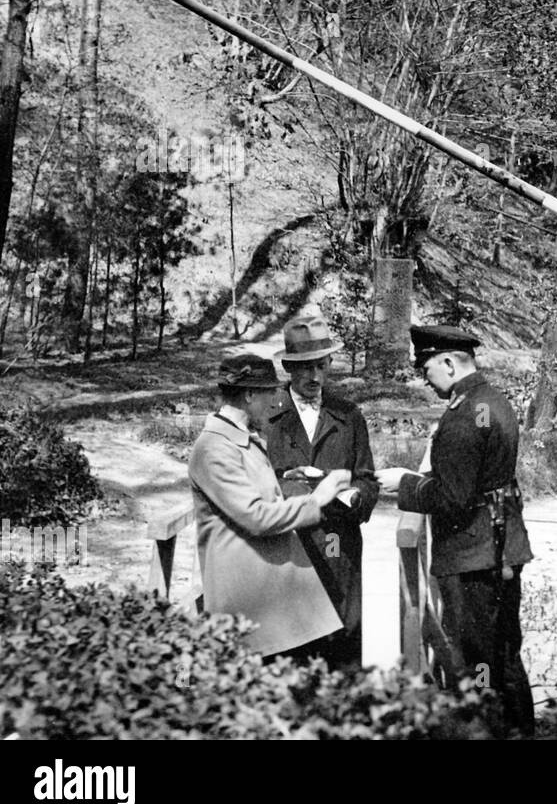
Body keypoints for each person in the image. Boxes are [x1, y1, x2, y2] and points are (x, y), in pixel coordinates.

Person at [377, 325, 535, 736]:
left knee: (476, 662)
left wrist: (405, 483)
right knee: (503, 657)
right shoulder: (493, 401)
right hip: (501, 550)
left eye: (427, 367)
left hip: (472, 556)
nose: (425, 378)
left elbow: (453, 497)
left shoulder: (465, 415)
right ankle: (519, 731)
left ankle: (484, 729)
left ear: (449, 362)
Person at [189, 352, 352, 662]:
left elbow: (253, 496)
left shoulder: (239, 439)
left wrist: (286, 480)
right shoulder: (214, 447)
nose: (275, 400)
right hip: (248, 598)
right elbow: (255, 517)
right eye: (269, 393)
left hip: (268, 590)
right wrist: (317, 499)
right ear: (250, 395)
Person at [265, 315, 379, 670]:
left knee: (342, 649)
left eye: (321, 366)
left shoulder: (348, 415)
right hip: (287, 547)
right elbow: (255, 484)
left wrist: (355, 496)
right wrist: (297, 488)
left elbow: (367, 480)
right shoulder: (267, 416)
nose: (314, 377)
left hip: (337, 544)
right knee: (288, 650)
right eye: (305, 368)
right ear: (288, 368)